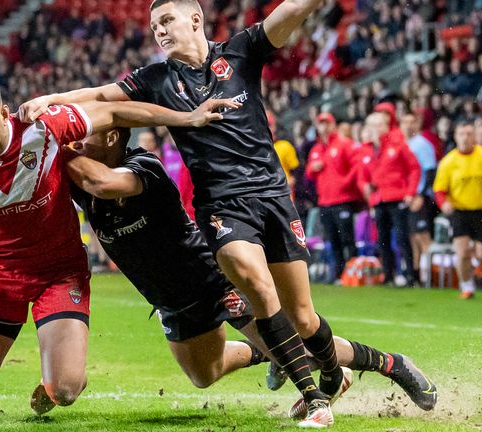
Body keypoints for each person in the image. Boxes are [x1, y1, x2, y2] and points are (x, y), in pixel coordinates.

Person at [18, 0, 347, 427]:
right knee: (204, 372)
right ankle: (299, 368)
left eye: (167, 20)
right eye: (154, 25)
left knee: (297, 315)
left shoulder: (240, 52)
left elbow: (289, 15)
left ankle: (350, 375)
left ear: (196, 19)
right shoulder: (156, 79)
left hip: (258, 206)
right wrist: (51, 99)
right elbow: (101, 96)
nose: (159, 30)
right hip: (215, 216)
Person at [0, 79, 237, 418]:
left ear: (4, 113)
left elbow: (114, 111)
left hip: (60, 274)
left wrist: (185, 119)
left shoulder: (43, 129)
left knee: (65, 389)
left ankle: (65, 377)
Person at [60, 126, 436, 414]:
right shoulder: (83, 182)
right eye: (72, 141)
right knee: (203, 375)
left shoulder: (144, 167)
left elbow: (101, 181)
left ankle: (393, 364)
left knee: (296, 344)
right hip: (170, 299)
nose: (76, 144)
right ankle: (268, 355)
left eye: (82, 138)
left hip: (209, 276)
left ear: (112, 137)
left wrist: (54, 148)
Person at [357, 112, 421, 286]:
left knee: (402, 237)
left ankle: (410, 276)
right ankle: (388, 275)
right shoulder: (366, 149)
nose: (375, 129)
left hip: (397, 196)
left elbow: (414, 168)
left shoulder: (397, 144)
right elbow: (362, 176)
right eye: (372, 126)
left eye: (378, 125)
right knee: (382, 239)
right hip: (378, 199)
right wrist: (365, 187)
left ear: (386, 126)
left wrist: (410, 192)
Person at [305, 113, 361, 284]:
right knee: (333, 240)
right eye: (321, 124)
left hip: (343, 199)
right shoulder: (317, 149)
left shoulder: (344, 144)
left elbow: (356, 165)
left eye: (327, 123)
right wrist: (313, 168)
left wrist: (345, 182)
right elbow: (308, 173)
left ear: (333, 124)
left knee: (347, 239)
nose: (324, 127)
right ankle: (338, 274)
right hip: (325, 201)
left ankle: (352, 273)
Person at [433, 122, 482, 299]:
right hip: (460, 212)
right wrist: (443, 203)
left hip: (480, 211)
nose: (465, 138)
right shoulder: (449, 161)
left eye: (469, 134)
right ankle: (467, 286)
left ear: (474, 136)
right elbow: (439, 190)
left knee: (480, 252)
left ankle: (475, 269)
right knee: (461, 253)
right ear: (455, 136)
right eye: (462, 134)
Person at [400, 111, 437, 284]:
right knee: (412, 237)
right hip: (407, 196)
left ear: (417, 125)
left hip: (420, 197)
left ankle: (432, 274)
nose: (408, 126)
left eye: (411, 123)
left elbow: (430, 171)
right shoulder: (402, 144)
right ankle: (417, 275)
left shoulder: (422, 144)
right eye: (404, 122)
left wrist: (421, 195)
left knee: (422, 236)